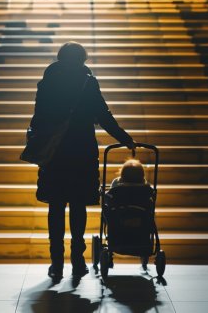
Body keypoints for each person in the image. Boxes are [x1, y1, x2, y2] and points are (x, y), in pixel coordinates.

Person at [30, 41, 134, 280]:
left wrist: (37, 140)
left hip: (55, 152)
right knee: (78, 205)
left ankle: (56, 262)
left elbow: (37, 117)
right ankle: (78, 260)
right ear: (82, 59)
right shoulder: (87, 81)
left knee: (55, 206)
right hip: (81, 151)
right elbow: (103, 116)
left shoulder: (47, 82)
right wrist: (124, 138)